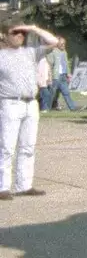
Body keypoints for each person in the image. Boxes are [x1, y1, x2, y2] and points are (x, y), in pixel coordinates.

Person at [0, 21, 63, 199]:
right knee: (6, 147)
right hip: (10, 103)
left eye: (22, 33)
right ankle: (2, 187)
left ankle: (24, 185)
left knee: (28, 146)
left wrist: (33, 29)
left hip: (30, 103)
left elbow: (54, 42)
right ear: (5, 35)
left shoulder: (31, 52)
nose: (20, 35)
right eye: (15, 33)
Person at [37, 38, 74, 111]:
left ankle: (72, 108)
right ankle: (45, 109)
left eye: (64, 43)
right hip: (55, 76)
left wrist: (68, 73)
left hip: (63, 76)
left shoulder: (64, 52)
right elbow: (49, 64)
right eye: (62, 44)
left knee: (66, 93)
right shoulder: (53, 52)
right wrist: (49, 76)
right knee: (51, 93)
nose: (63, 45)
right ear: (57, 44)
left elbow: (66, 64)